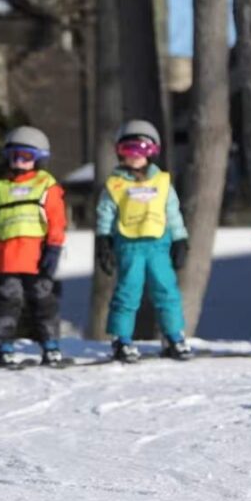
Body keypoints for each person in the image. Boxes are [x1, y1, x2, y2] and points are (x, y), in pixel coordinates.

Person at [95, 120, 190, 363]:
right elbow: (105, 213)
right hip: (129, 245)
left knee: (166, 290)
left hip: (158, 244)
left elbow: (173, 212)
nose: (135, 156)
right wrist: (103, 240)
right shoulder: (116, 184)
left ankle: (174, 336)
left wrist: (180, 239)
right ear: (119, 152)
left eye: (142, 150)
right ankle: (122, 339)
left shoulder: (162, 182)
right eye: (129, 150)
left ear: (152, 152)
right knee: (128, 291)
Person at [0, 126, 68, 367]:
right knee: (7, 303)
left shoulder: (45, 186)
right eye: (15, 156)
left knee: (43, 302)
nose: (19, 161)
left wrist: (54, 248)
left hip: (37, 258)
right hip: (7, 259)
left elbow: (57, 219)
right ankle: (3, 347)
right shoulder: (0, 188)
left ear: (39, 159)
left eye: (27, 157)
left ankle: (51, 346)